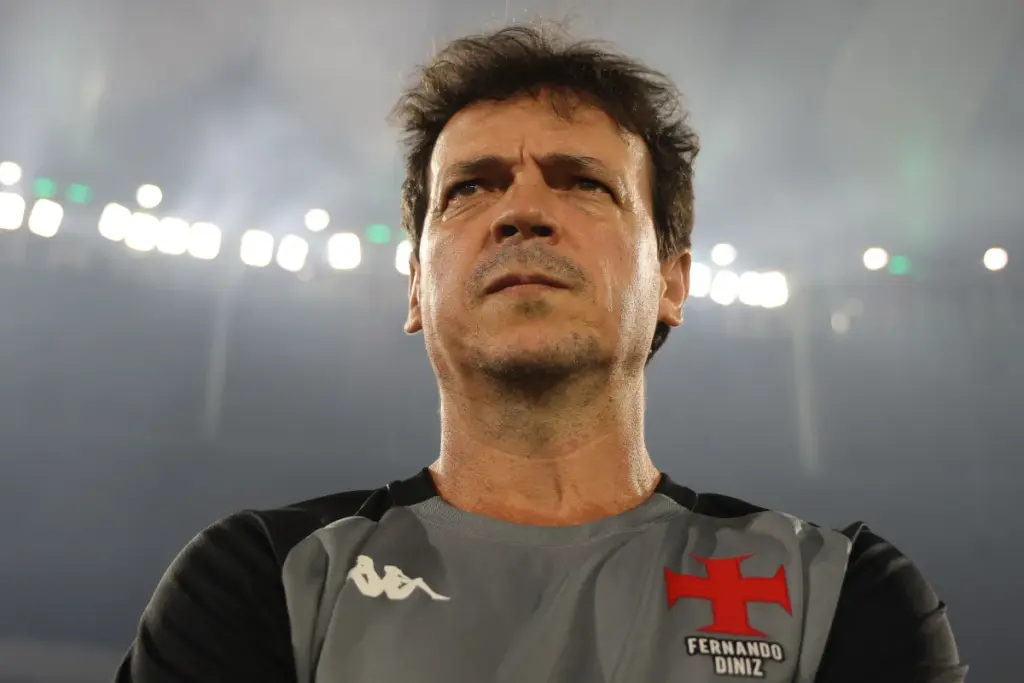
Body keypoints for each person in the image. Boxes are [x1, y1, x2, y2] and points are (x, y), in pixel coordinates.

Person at [115, 24, 966, 683]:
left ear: (672, 281)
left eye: (583, 182)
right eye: (470, 188)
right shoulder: (262, 579)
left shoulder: (837, 591)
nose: (522, 212)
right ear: (415, 289)